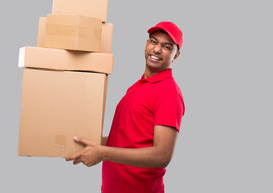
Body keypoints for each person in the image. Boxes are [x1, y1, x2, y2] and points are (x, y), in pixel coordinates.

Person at [66, 21, 185, 193]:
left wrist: (103, 153)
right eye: (153, 41)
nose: (157, 49)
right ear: (146, 44)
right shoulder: (138, 86)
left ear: (176, 55)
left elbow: (162, 155)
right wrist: (89, 143)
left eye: (166, 46)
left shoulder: (168, 92)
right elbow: (125, 140)